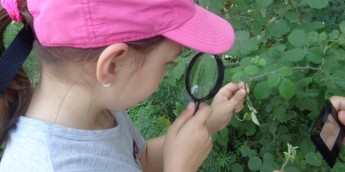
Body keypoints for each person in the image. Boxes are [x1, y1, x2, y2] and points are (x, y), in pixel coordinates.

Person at [0, 0, 247, 171]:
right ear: (113, 65)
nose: (165, 73)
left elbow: (139, 160)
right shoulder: (45, 165)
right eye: (167, 63)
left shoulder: (96, 108)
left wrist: (208, 122)